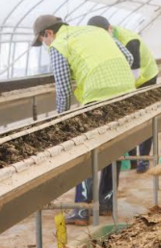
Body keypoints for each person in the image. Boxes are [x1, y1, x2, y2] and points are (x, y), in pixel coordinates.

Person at [33, 14, 136, 225]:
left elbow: (63, 89)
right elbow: (129, 58)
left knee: (85, 151)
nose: (45, 44)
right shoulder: (96, 31)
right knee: (112, 147)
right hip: (127, 92)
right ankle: (107, 203)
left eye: (43, 40)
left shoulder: (59, 44)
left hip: (98, 94)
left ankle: (81, 210)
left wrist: (63, 122)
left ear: (49, 33)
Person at [88, 16, 159, 173]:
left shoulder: (130, 41)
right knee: (128, 116)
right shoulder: (105, 40)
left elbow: (134, 73)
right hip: (126, 80)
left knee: (145, 118)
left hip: (145, 78)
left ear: (110, 29)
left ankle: (143, 160)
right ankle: (131, 157)